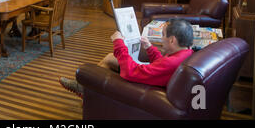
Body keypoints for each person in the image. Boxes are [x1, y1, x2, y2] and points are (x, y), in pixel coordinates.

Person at [59, 19, 194, 97]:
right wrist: (149, 48)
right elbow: (161, 65)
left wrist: (118, 43)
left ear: (172, 40)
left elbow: (131, 72)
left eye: (163, 35)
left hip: (141, 87)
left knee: (110, 59)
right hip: (153, 78)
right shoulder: (186, 53)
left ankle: (85, 89)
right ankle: (85, 89)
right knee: (110, 58)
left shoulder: (171, 63)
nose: (161, 38)